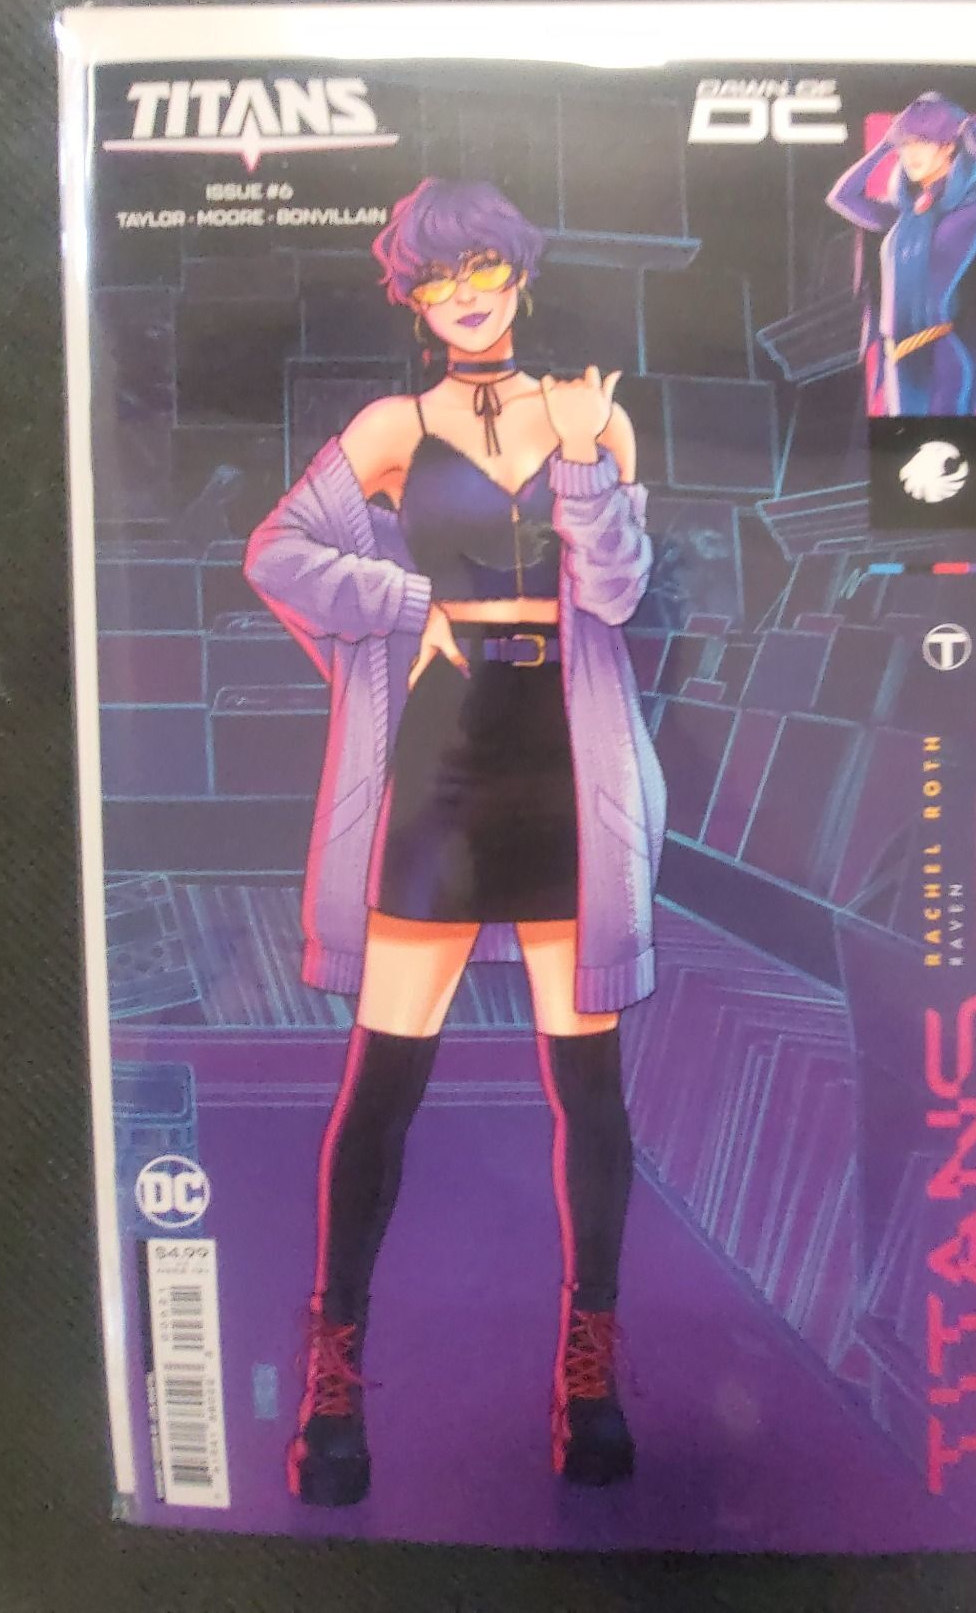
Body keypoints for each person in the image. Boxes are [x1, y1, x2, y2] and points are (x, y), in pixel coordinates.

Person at [244, 178, 665, 1504]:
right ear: (413, 297)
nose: (464, 293)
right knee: (384, 1075)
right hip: (437, 759)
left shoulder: (591, 413)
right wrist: (398, 593)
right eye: (436, 276)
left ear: (519, 274)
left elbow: (616, 590)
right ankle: (332, 1375)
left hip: (567, 757)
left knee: (587, 1084)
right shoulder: (390, 426)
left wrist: (584, 459)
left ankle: (588, 1374)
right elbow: (276, 553)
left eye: (482, 266)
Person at [825, 93, 976, 418]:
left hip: (938, 354)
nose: (910, 153)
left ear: (949, 146)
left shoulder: (963, 213)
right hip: (898, 356)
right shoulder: (902, 215)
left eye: (923, 142)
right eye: (905, 144)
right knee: (902, 446)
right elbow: (841, 197)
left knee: (944, 444)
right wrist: (883, 147)